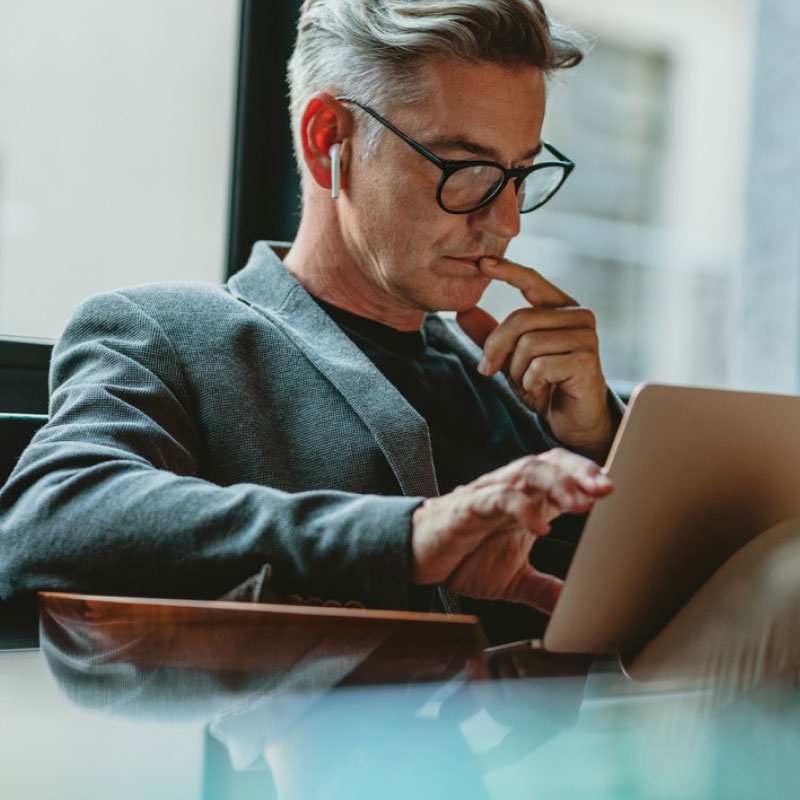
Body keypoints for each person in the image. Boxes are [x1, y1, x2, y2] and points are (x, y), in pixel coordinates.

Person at [0, 0, 618, 644]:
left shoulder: (532, 390)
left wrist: (601, 442)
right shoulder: (170, 335)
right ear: (329, 140)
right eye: (468, 171)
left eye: (519, 176)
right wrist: (406, 538)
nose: (508, 222)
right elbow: (48, 520)